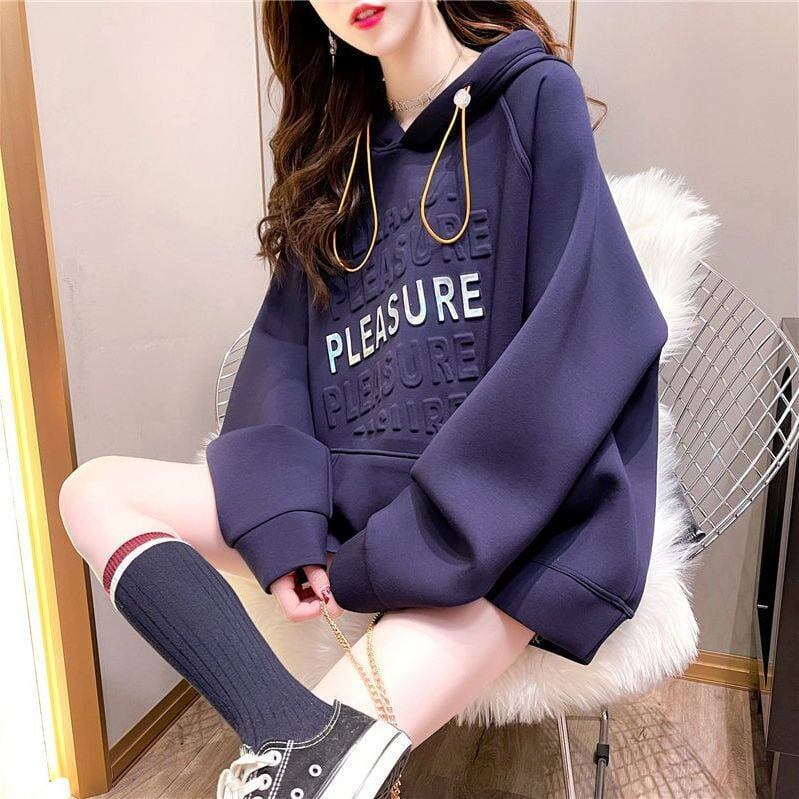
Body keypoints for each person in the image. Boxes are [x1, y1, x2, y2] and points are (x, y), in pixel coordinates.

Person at [59, 2, 669, 798]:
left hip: (505, 530)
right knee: (92, 491)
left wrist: (396, 553)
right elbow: (282, 360)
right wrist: (284, 523)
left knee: (302, 788)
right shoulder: (336, 157)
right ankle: (290, 730)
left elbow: (581, 342)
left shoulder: (532, 96)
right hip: (365, 509)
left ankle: (302, 755)